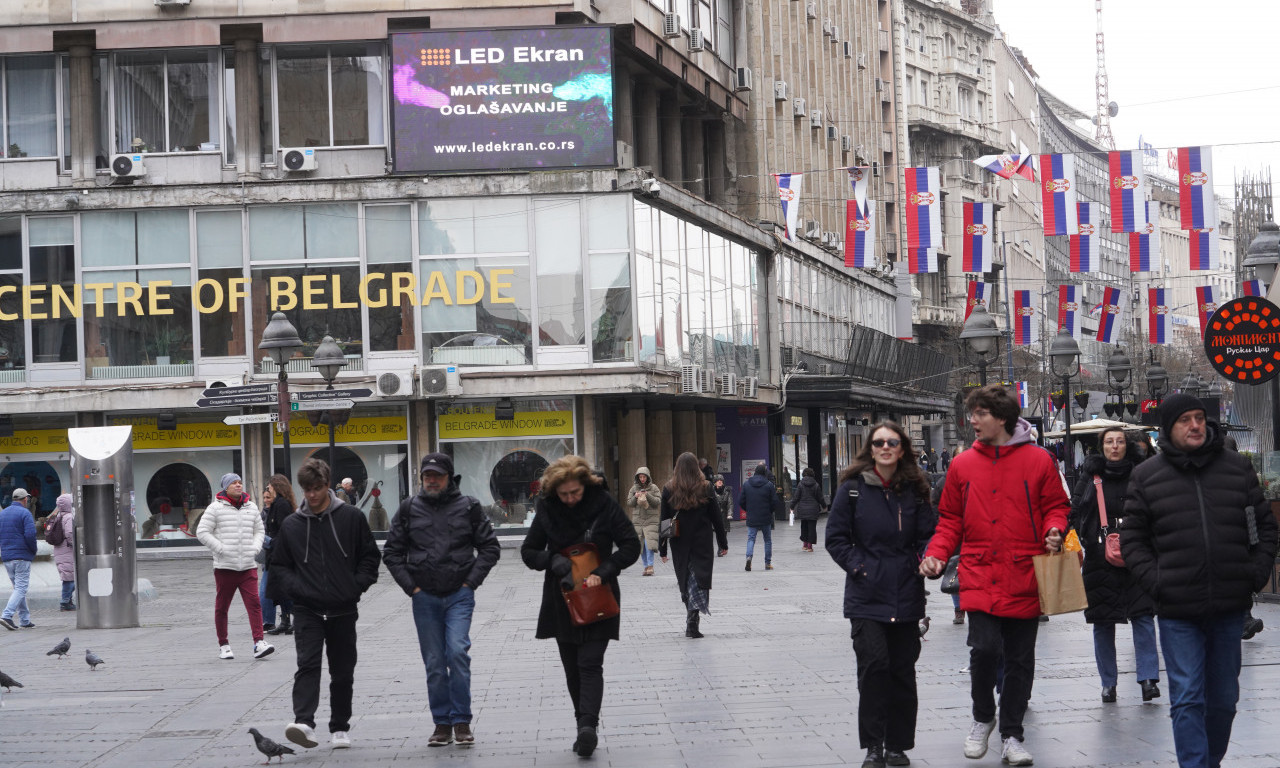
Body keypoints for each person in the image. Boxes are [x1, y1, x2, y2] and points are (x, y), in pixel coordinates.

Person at [1122, 393, 1278, 768]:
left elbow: (1265, 528)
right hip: (1178, 611)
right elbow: (1133, 541)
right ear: (1169, 427)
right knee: (1188, 696)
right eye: (1185, 420)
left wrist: (1254, 575)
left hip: (1228, 606)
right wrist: (1158, 582)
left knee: (1224, 700)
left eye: (1199, 418)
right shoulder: (1146, 476)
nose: (1195, 425)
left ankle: (1209, 761)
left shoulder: (1236, 468)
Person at [920, 385, 1069, 767]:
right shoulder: (962, 465)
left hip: (1025, 572)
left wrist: (1053, 529)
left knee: (1019, 660)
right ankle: (983, 716)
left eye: (980, 413)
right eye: (972, 413)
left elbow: (1056, 505)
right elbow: (950, 520)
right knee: (984, 649)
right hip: (980, 572)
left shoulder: (1039, 460)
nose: (972, 420)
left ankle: (1012, 736)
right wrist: (936, 554)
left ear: (1001, 418)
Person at [826, 420, 935, 768]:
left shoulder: (916, 489)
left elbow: (928, 536)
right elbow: (836, 539)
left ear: (902, 449)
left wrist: (926, 559)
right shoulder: (852, 489)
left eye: (891, 442)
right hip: (866, 595)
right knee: (874, 668)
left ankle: (897, 746)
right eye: (878, 443)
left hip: (906, 592)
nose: (885, 447)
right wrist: (860, 568)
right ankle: (874, 745)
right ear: (870, 450)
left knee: (902, 671)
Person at [520, 455, 640, 757]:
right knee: (572, 669)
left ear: (585, 484)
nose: (571, 498)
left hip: (599, 596)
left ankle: (588, 727)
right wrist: (552, 560)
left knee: (590, 663)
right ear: (554, 491)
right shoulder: (547, 508)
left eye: (575, 492)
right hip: (562, 599)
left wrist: (605, 570)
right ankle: (582, 725)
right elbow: (529, 551)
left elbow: (631, 545)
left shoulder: (603, 504)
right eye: (564, 494)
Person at [383, 452, 501, 748]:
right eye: (427, 476)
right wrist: (412, 588)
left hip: (459, 594)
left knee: (457, 653)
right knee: (435, 662)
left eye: (437, 476)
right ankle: (442, 724)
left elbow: (490, 547)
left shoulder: (469, 506)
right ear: (421, 478)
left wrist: (470, 583)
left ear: (450, 478)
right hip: (424, 597)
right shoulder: (409, 508)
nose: (432, 481)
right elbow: (392, 552)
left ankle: (461, 721)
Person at [270, 458, 382, 752]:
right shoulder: (292, 524)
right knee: (307, 664)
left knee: (342, 671)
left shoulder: (351, 518)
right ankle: (304, 722)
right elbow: (279, 565)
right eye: (307, 489)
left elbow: (370, 557)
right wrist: (298, 591)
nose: (312, 495)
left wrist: (354, 587)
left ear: (327, 485)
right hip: (307, 608)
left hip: (343, 607)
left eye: (317, 488)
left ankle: (340, 726)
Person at [1068, 427, 1160, 704]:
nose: (1115, 446)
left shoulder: (1141, 472)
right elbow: (1076, 511)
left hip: (1138, 556)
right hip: (1100, 559)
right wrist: (1090, 539)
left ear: (1126, 445)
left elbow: (1155, 509)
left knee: (1143, 616)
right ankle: (1108, 683)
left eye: (1120, 441)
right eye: (1109, 442)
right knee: (1103, 621)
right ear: (1102, 447)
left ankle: (1148, 679)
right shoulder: (1091, 475)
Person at [196, 473, 274, 661]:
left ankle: (259, 642)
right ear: (226, 487)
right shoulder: (215, 508)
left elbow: (259, 531)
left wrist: (255, 548)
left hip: (247, 565)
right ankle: (224, 645)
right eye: (234, 483)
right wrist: (220, 548)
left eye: (240, 482)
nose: (238, 485)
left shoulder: (251, 507)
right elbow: (202, 532)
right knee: (222, 607)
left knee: (254, 604)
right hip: (225, 567)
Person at [659, 452, 729, 638]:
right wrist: (722, 542)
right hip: (701, 542)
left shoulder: (669, 488)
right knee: (699, 579)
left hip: (679, 542)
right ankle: (693, 618)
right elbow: (717, 518)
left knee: (685, 578)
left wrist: (663, 548)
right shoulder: (706, 487)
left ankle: (691, 615)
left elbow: (664, 520)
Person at [261, 475, 296, 636]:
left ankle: (292, 618)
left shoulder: (282, 505)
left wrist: (271, 542)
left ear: (276, 487)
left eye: (269, 487)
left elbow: (284, 528)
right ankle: (285, 620)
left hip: (280, 552)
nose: (268, 490)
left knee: (280, 588)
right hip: (275, 553)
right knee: (278, 589)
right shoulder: (277, 504)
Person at [0, 488, 36, 630]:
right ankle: (7, 615)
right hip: (22, 556)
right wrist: (33, 550)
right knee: (21, 588)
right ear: (25, 499)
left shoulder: (3, 514)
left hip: (7, 557)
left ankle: (24, 619)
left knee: (18, 588)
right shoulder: (25, 513)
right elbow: (30, 535)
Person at [738, 463, 777, 571]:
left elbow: (740, 501)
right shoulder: (769, 485)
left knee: (751, 538)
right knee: (767, 540)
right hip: (765, 517)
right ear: (764, 473)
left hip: (752, 516)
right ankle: (767, 563)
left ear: (755, 472)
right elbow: (775, 501)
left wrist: (748, 509)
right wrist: (769, 511)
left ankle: (749, 557)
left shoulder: (747, 484)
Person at [624, 467, 661, 577]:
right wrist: (635, 497)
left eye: (644, 476)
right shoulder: (634, 488)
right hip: (638, 520)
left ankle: (650, 566)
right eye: (640, 477)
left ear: (648, 477)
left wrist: (647, 494)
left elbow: (657, 502)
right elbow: (629, 503)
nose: (642, 479)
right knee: (641, 545)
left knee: (649, 543)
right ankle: (645, 566)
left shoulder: (654, 488)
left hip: (651, 520)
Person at [791, 467, 827, 553]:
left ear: (803, 474)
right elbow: (820, 498)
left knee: (804, 527)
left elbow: (796, 497)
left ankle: (804, 545)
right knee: (812, 528)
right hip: (813, 509)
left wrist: (792, 506)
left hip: (803, 509)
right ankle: (810, 546)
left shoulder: (800, 484)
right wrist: (824, 506)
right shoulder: (816, 485)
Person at [50, 494, 76, 611]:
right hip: (67, 550)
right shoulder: (69, 517)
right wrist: (76, 544)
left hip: (59, 549)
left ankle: (68, 601)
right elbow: (70, 533)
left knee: (68, 576)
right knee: (69, 578)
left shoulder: (58, 516)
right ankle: (65, 602)